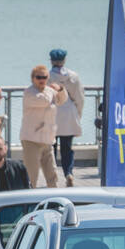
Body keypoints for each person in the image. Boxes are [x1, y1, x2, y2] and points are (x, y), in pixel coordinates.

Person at [20, 64, 68, 188]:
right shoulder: (29, 92)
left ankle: (55, 201)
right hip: (31, 140)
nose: (42, 80)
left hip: (47, 140)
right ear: (33, 78)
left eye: (45, 77)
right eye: (39, 77)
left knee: (52, 175)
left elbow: (62, 100)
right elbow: (44, 101)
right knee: (31, 176)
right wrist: (53, 91)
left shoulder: (49, 91)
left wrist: (61, 89)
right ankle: (28, 202)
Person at [48, 49, 84, 187]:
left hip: (52, 114)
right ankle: (68, 173)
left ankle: (52, 176)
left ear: (51, 60)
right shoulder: (73, 76)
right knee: (67, 148)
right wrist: (77, 114)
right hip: (68, 113)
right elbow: (79, 98)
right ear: (64, 60)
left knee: (50, 148)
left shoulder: (47, 76)